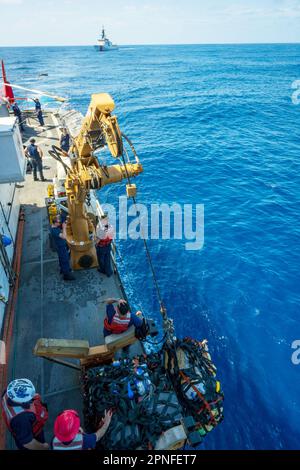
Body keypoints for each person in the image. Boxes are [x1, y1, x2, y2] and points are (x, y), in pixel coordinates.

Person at [1, 378, 49, 450]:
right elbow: (28, 443)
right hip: (33, 434)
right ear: (21, 401)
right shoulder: (21, 419)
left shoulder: (8, 393)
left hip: (22, 430)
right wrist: (43, 447)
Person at [50, 216, 75, 281]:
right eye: (59, 222)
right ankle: (66, 275)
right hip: (61, 247)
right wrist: (64, 228)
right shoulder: (54, 231)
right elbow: (64, 236)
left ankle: (63, 270)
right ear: (55, 223)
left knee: (62, 259)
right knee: (65, 260)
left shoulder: (55, 227)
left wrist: (65, 222)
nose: (60, 223)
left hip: (62, 246)